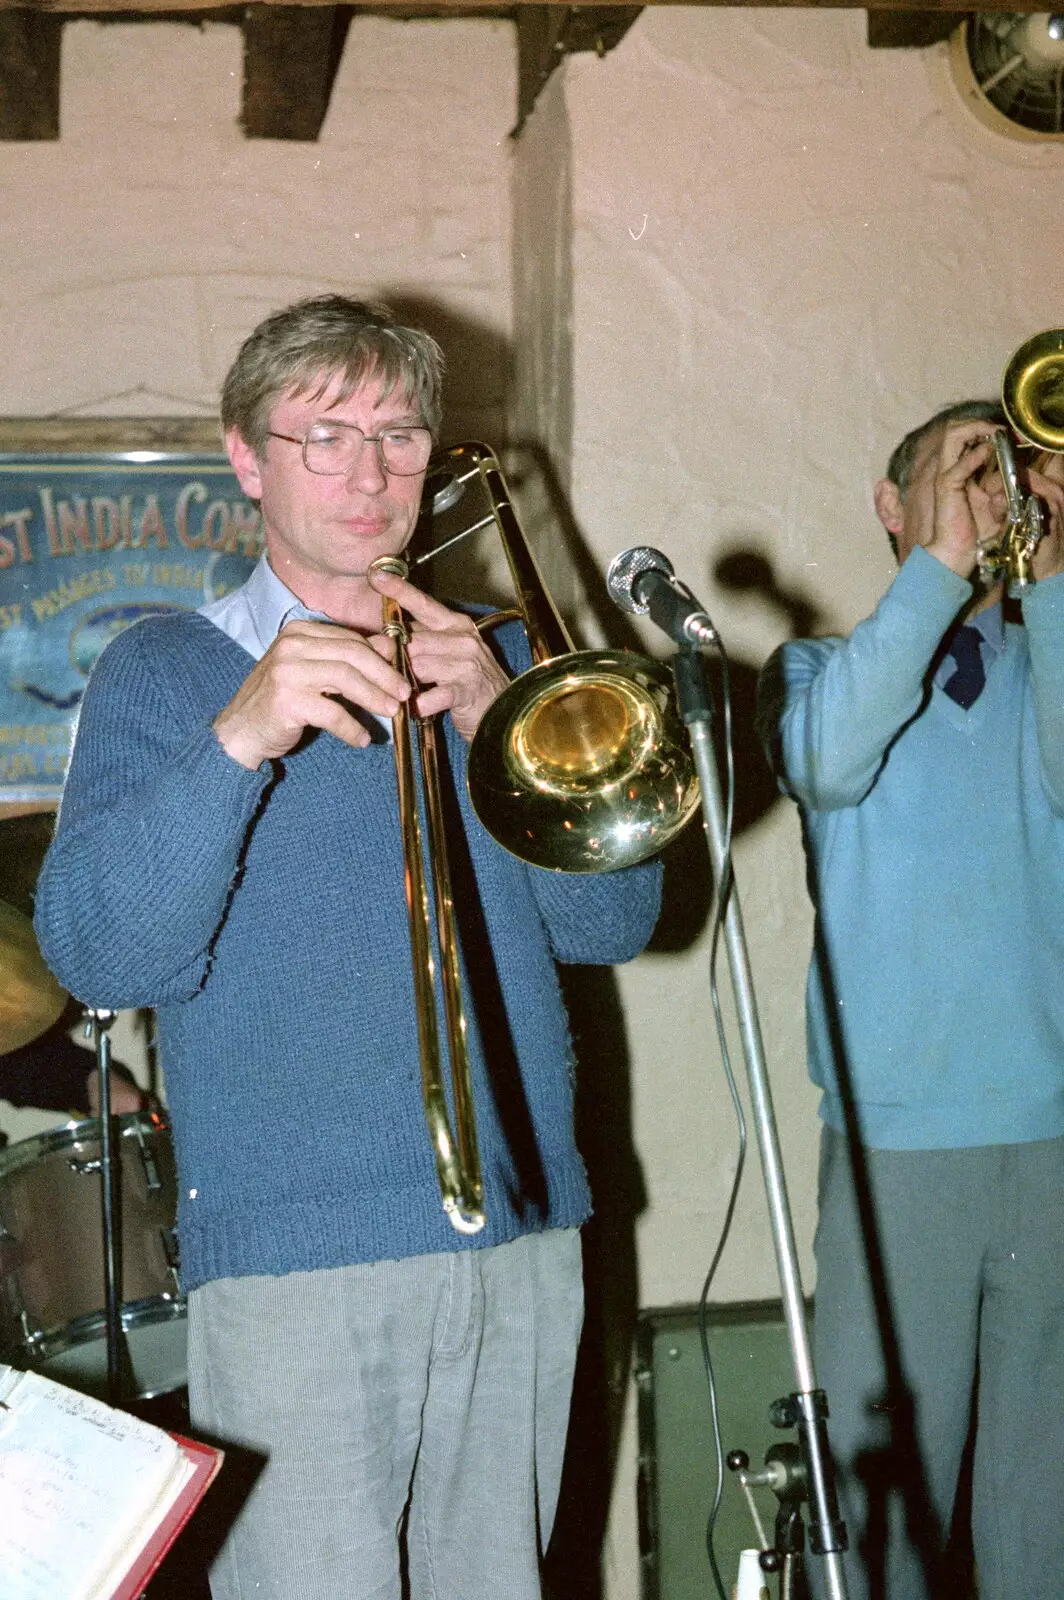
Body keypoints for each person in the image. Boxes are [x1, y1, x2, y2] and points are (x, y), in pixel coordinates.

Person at [33, 295, 662, 1600]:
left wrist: (502, 724)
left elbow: (617, 921)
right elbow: (100, 958)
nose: (372, 474)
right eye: (326, 435)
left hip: (523, 1238)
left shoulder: (499, 654)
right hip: (294, 1255)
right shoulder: (164, 670)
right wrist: (237, 742)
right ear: (247, 457)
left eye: (400, 435)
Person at [757, 400, 1064, 1600]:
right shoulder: (820, 671)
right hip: (899, 1151)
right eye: (960, 476)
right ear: (892, 510)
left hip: (1050, 1137)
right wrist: (942, 567)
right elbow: (825, 759)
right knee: (882, 1504)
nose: (990, 497)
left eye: (1005, 479)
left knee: (1042, 1512)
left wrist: (1047, 575)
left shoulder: (1049, 651)